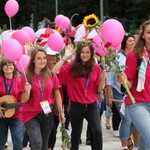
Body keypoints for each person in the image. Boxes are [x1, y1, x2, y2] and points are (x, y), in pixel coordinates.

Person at [52, 40, 107, 150]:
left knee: (97, 131)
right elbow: (54, 71)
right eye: (82, 52)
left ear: (91, 54)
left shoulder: (96, 67)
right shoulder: (71, 67)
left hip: (92, 105)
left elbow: (99, 89)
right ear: (78, 54)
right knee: (76, 135)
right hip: (76, 106)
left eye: (87, 52)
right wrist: (65, 57)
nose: (85, 55)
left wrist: (102, 80)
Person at [19, 45, 65, 150]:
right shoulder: (27, 76)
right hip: (31, 114)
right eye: (39, 58)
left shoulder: (51, 75)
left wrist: (61, 112)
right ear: (33, 60)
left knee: (44, 145)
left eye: (44, 58)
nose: (42, 61)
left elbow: (57, 93)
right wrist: (27, 91)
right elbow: (24, 99)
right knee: (37, 143)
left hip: (47, 113)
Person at [118, 20, 150, 150]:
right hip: (138, 103)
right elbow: (130, 83)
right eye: (149, 32)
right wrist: (124, 81)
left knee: (145, 144)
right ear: (143, 35)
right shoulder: (134, 55)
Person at [106, 33, 139, 150]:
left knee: (135, 119)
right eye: (130, 40)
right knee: (126, 118)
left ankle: (132, 143)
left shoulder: (136, 56)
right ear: (124, 42)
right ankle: (124, 145)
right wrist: (108, 95)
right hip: (118, 92)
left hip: (132, 92)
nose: (132, 43)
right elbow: (109, 78)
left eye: (133, 40)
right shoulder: (117, 58)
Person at [0, 58, 23, 150]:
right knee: (1, 141)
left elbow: (23, 100)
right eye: (5, 64)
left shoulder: (20, 81)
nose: (8, 66)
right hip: (1, 116)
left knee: (17, 140)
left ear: (14, 67)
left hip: (17, 115)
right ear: (1, 68)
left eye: (11, 64)